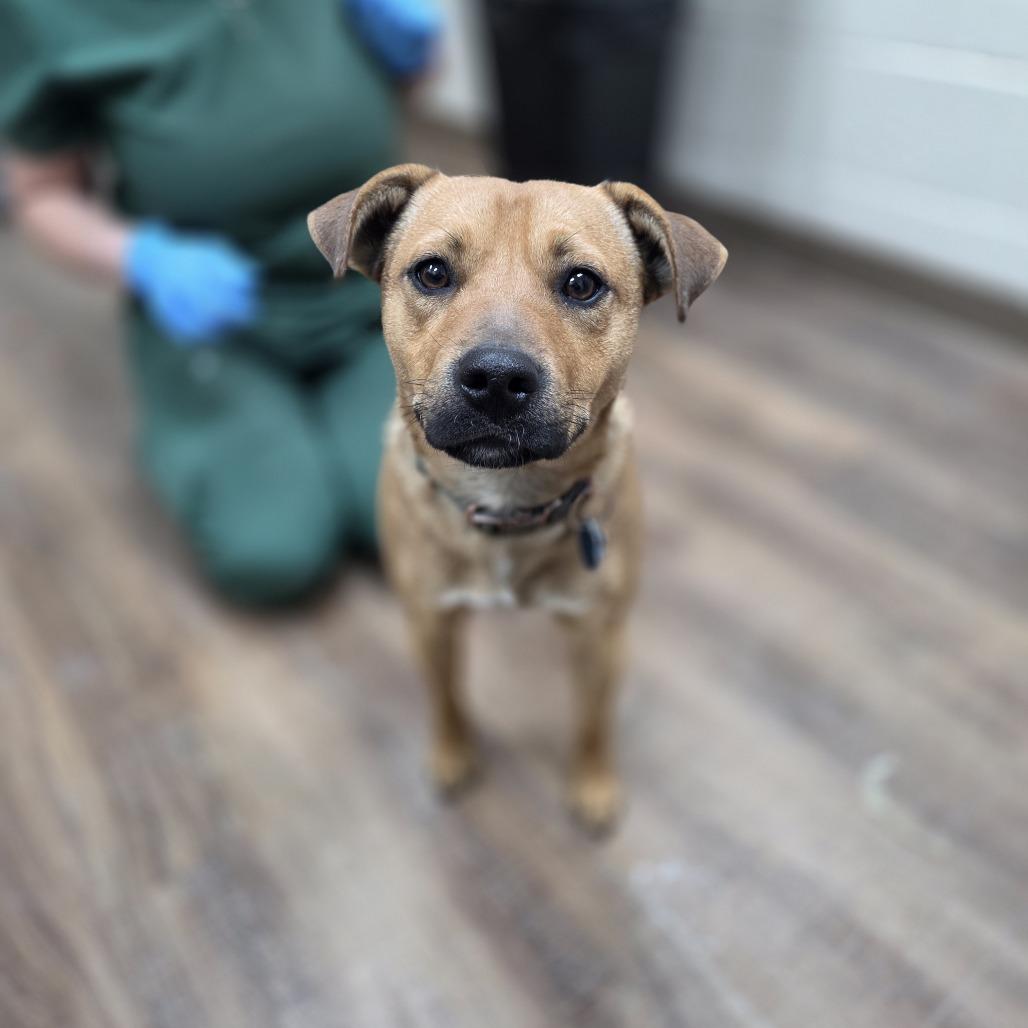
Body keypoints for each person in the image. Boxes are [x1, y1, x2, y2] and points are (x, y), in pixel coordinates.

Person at [0, 0, 440, 605]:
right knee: (272, 550)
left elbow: (395, 95)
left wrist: (417, 55)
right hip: (216, 317)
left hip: (370, 294)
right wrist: (141, 259)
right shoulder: (47, 14)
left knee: (415, 522)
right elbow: (39, 196)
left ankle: (327, 424)